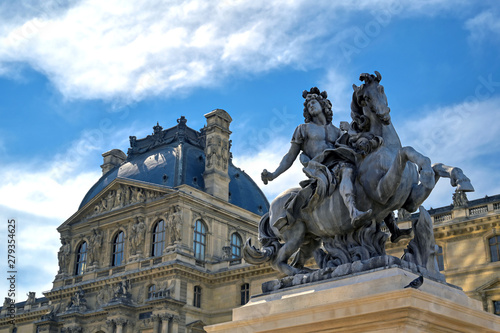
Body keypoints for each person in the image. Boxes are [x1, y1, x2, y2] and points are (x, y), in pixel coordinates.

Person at [261, 87, 371, 228]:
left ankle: (390, 224)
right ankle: (353, 212)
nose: (310, 105)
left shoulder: (337, 131)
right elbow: (290, 156)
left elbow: (354, 148)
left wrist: (350, 131)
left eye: (313, 102)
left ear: (323, 105)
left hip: (337, 163)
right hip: (319, 168)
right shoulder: (303, 129)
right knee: (347, 170)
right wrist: (273, 174)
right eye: (308, 105)